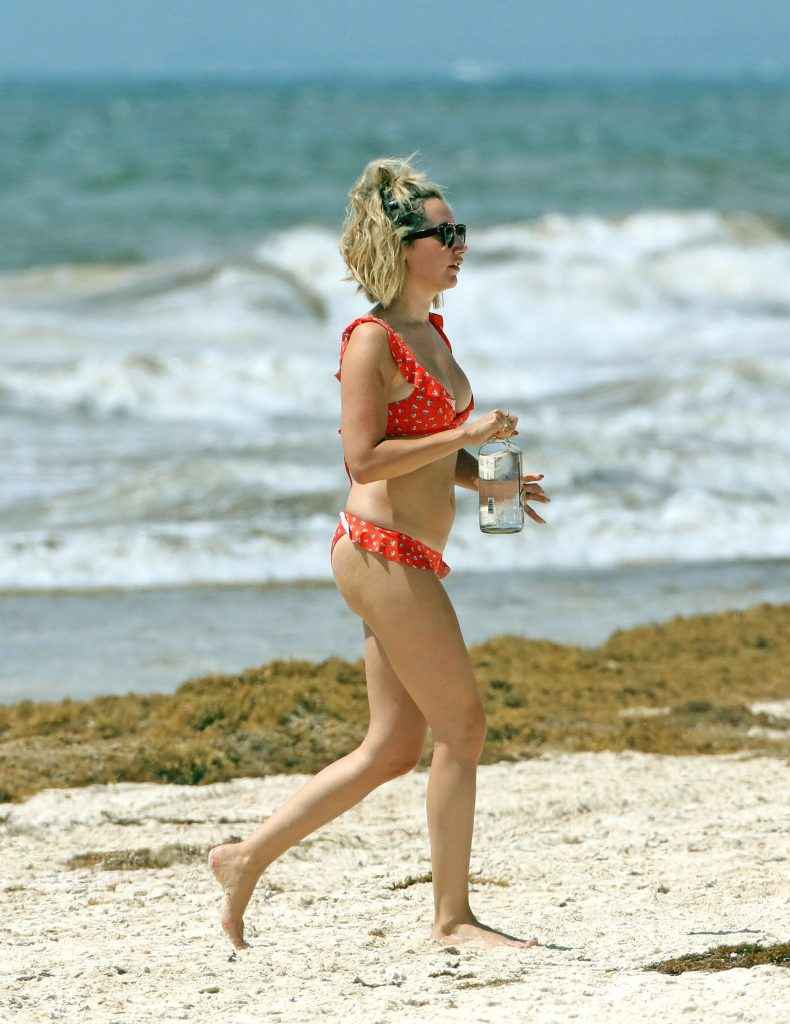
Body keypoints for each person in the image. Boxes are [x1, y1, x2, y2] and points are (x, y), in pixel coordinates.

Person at [208, 154, 551, 951]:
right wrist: (464, 435)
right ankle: (452, 920)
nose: (460, 245)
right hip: (378, 548)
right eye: (444, 235)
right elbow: (364, 460)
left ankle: (244, 858)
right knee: (463, 726)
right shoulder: (371, 341)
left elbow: (421, 454)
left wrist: (481, 477)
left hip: (410, 553)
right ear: (400, 245)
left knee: (393, 747)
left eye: (460, 231)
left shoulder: (431, 333)